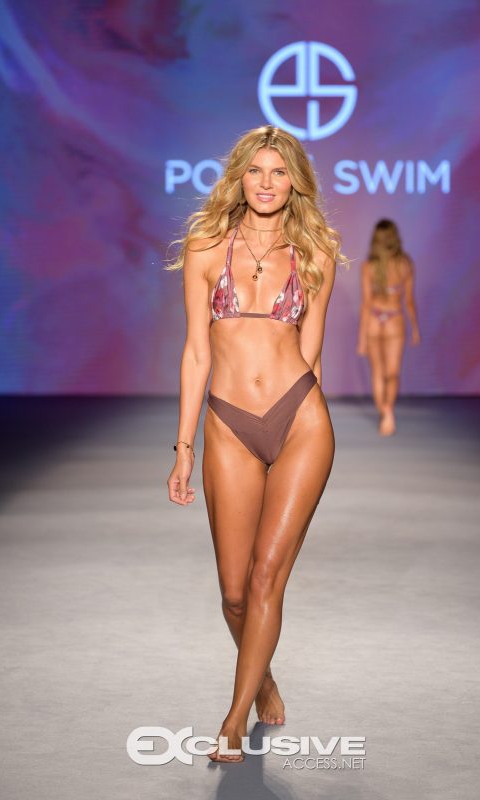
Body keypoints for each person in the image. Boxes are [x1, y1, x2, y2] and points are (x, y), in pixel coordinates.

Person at [164, 125, 346, 762]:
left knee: (269, 576)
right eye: (255, 171)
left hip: (300, 419)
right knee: (235, 592)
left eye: (279, 172)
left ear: (295, 180)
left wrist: (317, 431)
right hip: (227, 423)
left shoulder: (316, 251)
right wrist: (183, 448)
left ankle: (234, 719)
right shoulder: (205, 246)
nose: (266, 183)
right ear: (239, 178)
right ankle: (261, 676)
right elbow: (195, 353)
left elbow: (313, 354)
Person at [356, 219, 421, 436]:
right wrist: (415, 328)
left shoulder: (371, 266)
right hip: (392, 319)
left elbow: (367, 304)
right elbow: (408, 301)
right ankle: (388, 412)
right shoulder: (403, 264)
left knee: (382, 373)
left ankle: (386, 413)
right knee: (390, 373)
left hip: (377, 320)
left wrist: (361, 339)